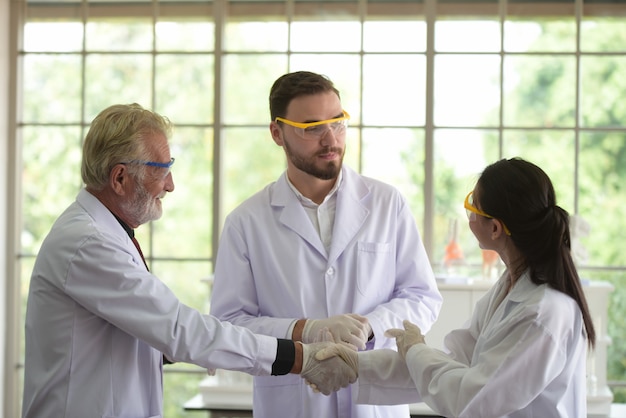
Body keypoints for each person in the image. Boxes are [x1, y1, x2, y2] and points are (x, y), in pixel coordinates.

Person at [21, 103, 355, 418]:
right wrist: (300, 356)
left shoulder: (110, 235)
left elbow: (159, 332)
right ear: (120, 178)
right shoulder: (87, 242)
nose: (171, 185)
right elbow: (179, 330)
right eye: (161, 170)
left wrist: (200, 344)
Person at [209, 70, 442, 418]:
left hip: (373, 404)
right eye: (312, 127)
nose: (330, 139)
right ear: (277, 133)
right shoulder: (246, 222)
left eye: (337, 122)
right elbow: (228, 323)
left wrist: (371, 326)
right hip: (291, 404)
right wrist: (305, 330)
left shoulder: (386, 203)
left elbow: (422, 297)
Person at [313, 157, 597, 418]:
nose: (468, 215)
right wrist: (356, 365)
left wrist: (414, 350)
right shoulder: (509, 289)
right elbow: (451, 366)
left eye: (473, 204)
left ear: (495, 228)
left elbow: (471, 398)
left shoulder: (543, 314)